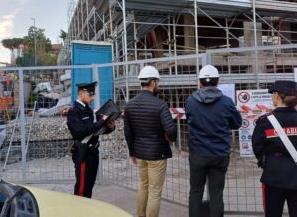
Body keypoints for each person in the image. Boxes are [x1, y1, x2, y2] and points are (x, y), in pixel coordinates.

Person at [252, 80, 297, 217]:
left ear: (276, 96)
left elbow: (258, 149)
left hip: (274, 177)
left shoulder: (265, 122)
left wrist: (272, 161)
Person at [185, 64, 242, 217]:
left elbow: (189, 120)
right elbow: (237, 123)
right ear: (217, 82)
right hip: (219, 154)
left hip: (198, 154)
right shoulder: (226, 102)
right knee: (216, 194)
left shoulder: (190, 101)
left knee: (195, 192)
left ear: (199, 82)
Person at [124, 66, 177, 217]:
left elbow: (128, 132)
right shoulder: (160, 105)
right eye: (157, 81)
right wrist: (170, 137)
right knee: (154, 192)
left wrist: (132, 152)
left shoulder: (130, 105)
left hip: (140, 154)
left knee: (143, 186)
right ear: (153, 82)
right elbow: (172, 131)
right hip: (157, 154)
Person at [66, 81, 115, 198]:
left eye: (93, 95)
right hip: (83, 154)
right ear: (82, 93)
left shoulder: (89, 110)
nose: (93, 98)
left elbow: (98, 130)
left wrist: (110, 127)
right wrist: (101, 121)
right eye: (90, 94)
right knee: (82, 190)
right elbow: (81, 131)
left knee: (89, 189)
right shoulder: (73, 112)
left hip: (93, 153)